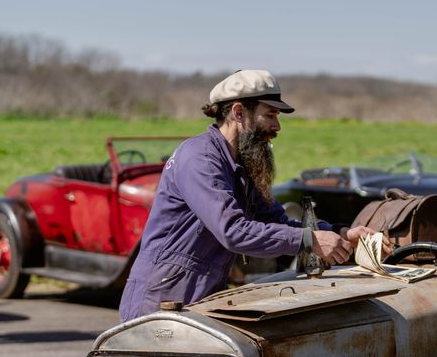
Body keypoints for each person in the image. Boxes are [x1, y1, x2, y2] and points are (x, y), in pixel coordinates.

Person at [119, 69, 380, 321]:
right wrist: (309, 240)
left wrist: (341, 233)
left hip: (198, 298)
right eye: (270, 115)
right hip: (161, 303)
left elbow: (276, 222)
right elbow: (232, 230)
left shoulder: (241, 165)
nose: (277, 126)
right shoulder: (200, 159)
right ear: (239, 112)